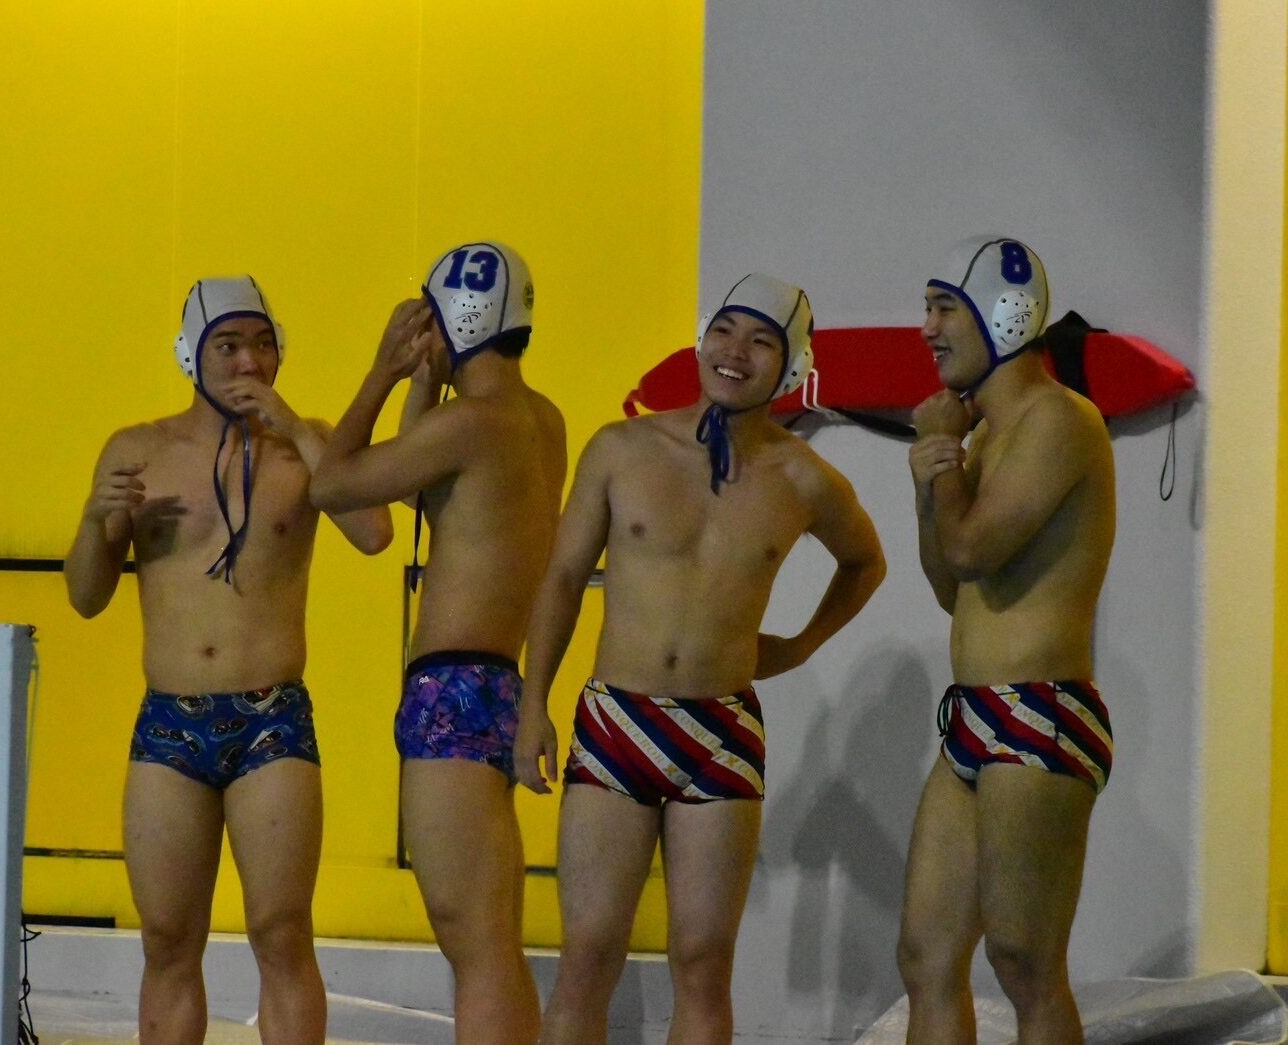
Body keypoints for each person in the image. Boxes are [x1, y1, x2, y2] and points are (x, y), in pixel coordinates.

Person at [516, 273, 885, 1043]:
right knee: (587, 956)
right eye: (725, 329)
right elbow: (562, 576)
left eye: (760, 340)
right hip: (617, 719)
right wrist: (533, 704)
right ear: (700, 337)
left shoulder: (804, 478)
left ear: (790, 366)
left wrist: (802, 644)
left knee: (703, 963)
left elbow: (865, 562)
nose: (735, 352)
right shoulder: (621, 448)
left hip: (721, 732)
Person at [65, 277, 392, 1043]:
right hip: (169, 723)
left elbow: (373, 531)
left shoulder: (307, 446)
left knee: (282, 931)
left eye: (263, 344)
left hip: (271, 718)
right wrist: (94, 520)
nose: (249, 361)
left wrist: (298, 429)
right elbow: (84, 595)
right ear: (191, 355)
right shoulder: (137, 449)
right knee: (167, 938)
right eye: (229, 345)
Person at [309, 241, 566, 1044]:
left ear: (454, 320)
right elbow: (425, 494)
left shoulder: (470, 423)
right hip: (496, 683)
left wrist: (382, 373)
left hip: (448, 691)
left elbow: (331, 484)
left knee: (475, 947)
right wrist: (427, 381)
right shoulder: (538, 420)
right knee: (493, 943)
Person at [895, 236, 1116, 1045]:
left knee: (1024, 960)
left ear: (1007, 315)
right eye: (928, 308)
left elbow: (971, 549)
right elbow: (947, 584)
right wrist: (933, 475)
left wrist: (941, 465)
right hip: (972, 718)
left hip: (1042, 713)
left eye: (944, 308)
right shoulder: (985, 436)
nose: (927, 328)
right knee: (925, 955)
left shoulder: (1061, 420)